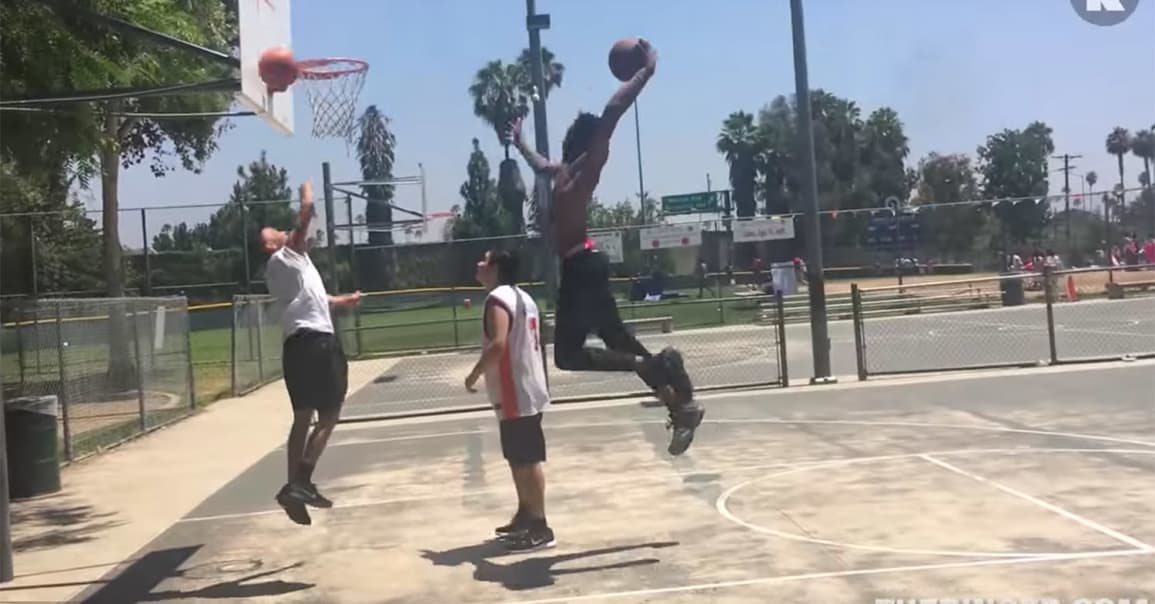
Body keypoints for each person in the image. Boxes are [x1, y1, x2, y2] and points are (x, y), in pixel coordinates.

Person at [506, 38, 703, 456]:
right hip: (584, 268)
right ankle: (681, 402)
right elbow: (536, 162)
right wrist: (519, 141)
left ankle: (657, 368)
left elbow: (612, 111)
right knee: (618, 340)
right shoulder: (558, 172)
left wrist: (645, 72)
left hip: (582, 269)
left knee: (570, 356)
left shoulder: (586, 167)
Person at [260, 180, 362, 526]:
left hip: (295, 346)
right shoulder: (289, 253)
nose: (285, 232)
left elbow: (312, 299)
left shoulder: (285, 270)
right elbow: (304, 218)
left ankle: (293, 487)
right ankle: (302, 480)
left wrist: (340, 301)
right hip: (318, 344)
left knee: (302, 417)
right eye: (278, 232)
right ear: (274, 244)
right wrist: (307, 195)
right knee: (330, 414)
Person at [465, 250, 554, 551]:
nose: (478, 263)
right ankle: (526, 514)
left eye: (484, 260)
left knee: (526, 460)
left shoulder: (498, 299)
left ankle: (540, 525)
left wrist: (475, 373)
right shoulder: (524, 297)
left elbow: (499, 344)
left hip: (515, 389)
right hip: (526, 386)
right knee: (518, 458)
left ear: (496, 268)